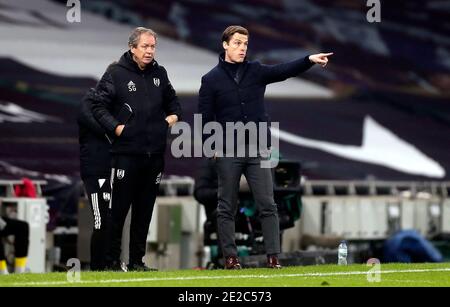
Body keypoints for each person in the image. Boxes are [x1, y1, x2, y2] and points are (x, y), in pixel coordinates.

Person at [198, 25, 332, 269]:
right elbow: (205, 118)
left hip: (259, 149)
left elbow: (283, 71)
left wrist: (308, 60)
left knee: (268, 204)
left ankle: (273, 257)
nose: (242, 48)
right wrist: (211, 147)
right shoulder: (211, 80)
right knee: (226, 206)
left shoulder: (256, 71)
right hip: (228, 150)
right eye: (237, 43)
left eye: (245, 44)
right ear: (225, 44)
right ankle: (230, 258)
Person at [91, 27, 181, 271]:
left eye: (153, 46)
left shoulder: (160, 74)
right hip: (126, 156)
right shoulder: (116, 73)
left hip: (154, 156)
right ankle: (110, 262)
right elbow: (98, 106)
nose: (150, 51)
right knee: (117, 211)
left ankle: (136, 262)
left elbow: (175, 105)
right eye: (145, 46)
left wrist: (168, 122)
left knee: (144, 213)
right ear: (132, 48)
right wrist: (116, 129)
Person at [77, 86, 113, 271]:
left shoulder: (117, 104)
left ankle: (109, 264)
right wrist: (115, 127)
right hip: (95, 170)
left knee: (110, 218)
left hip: (110, 168)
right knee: (101, 220)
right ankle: (97, 267)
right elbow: (98, 126)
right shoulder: (89, 102)